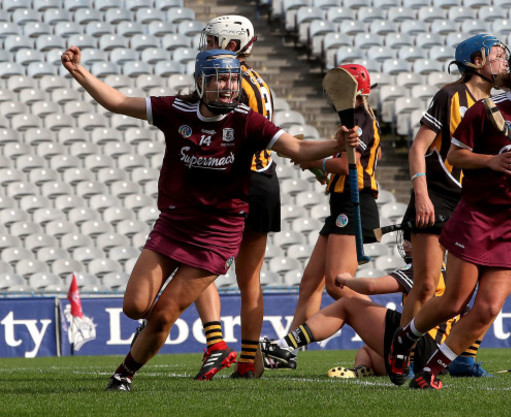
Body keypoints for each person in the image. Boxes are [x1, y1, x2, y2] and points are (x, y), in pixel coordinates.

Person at [61, 46, 361, 391]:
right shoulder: (175, 110)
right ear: (201, 82)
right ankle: (149, 332)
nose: (228, 86)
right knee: (135, 306)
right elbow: (116, 101)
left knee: (163, 315)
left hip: (217, 235)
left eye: (232, 79)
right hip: (174, 225)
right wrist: (78, 71)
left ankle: (124, 374)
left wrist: (333, 143)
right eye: (219, 79)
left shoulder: (247, 120)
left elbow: (297, 148)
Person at [387, 39, 511, 390]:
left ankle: (431, 371)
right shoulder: (486, 109)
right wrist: (492, 161)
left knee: (487, 309)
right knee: (454, 300)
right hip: (476, 214)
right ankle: (405, 339)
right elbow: (456, 156)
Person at [399, 33, 509, 377]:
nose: (505, 63)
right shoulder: (449, 95)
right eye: (498, 56)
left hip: (475, 200)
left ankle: (463, 357)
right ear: (476, 61)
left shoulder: (502, 104)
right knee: (428, 285)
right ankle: (402, 354)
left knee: (478, 287)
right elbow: (419, 148)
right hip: (438, 194)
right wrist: (421, 194)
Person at [261, 64, 381, 369]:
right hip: (341, 204)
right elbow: (342, 167)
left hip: (356, 205)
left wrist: (313, 158)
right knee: (310, 283)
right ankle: (287, 350)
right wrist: (313, 163)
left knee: (337, 286)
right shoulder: (356, 122)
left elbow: (344, 166)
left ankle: (393, 333)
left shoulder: (362, 121)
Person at [188, 14, 281, 380]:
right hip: (265, 180)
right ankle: (247, 359)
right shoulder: (260, 81)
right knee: (250, 280)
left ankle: (216, 346)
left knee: (196, 265)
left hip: (234, 183)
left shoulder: (227, 81)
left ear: (230, 46)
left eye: (213, 42)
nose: (207, 47)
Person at [261, 234, 458, 376]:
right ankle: (360, 371)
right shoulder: (455, 275)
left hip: (421, 347)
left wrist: (347, 280)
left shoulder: (424, 272)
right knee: (366, 351)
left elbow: (372, 286)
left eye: (410, 238)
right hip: (437, 358)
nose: (406, 244)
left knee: (348, 303)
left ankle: (286, 346)